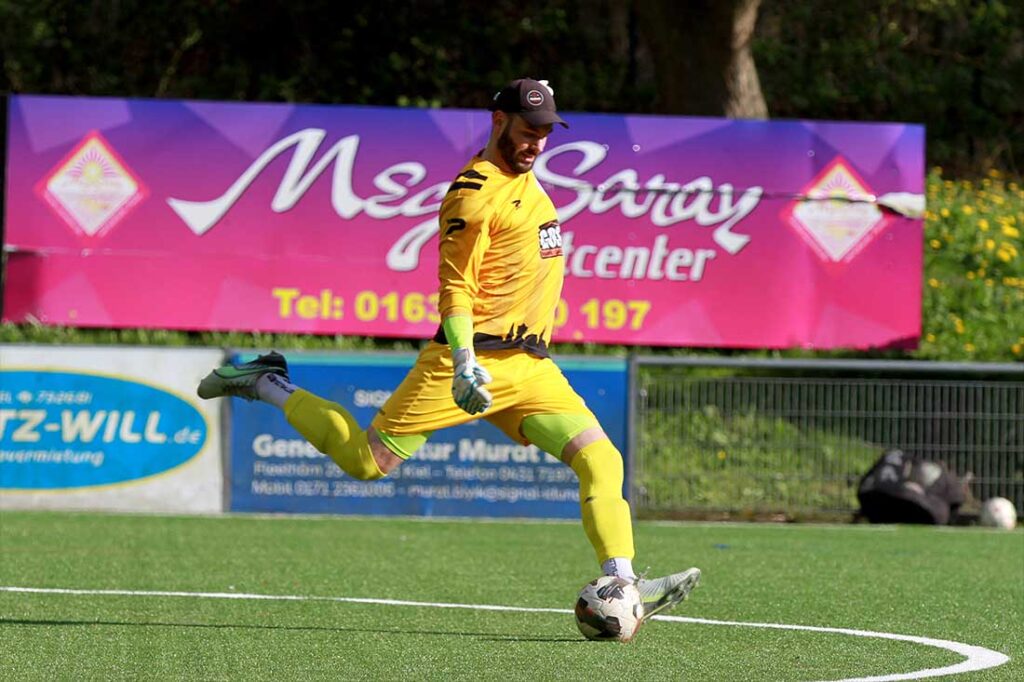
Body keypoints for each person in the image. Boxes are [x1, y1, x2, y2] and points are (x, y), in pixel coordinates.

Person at [197, 77, 700, 619]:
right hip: (471, 360)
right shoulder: (474, 194)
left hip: (530, 367)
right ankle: (266, 380)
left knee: (601, 458)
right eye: (529, 131)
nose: (536, 143)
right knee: (368, 462)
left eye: (546, 133)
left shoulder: (530, 186)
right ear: (498, 121)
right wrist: (463, 359)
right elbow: (455, 287)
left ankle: (623, 584)